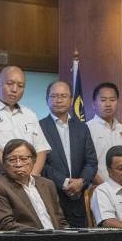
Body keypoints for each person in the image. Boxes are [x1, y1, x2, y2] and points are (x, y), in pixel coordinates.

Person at [39, 80, 97, 228]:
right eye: (54, 96)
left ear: (71, 100)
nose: (58, 100)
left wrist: (81, 182)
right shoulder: (39, 127)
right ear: (47, 100)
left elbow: (91, 162)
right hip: (51, 197)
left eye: (63, 96)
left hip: (77, 199)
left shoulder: (82, 128)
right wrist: (64, 183)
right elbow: (40, 164)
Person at [0, 139, 67, 231]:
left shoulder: (47, 184)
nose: (18, 164)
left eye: (24, 159)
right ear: (4, 163)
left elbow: (60, 221)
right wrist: (43, 234)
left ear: (33, 160)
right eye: (12, 160)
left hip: (57, 240)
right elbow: (5, 225)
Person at [0, 66, 50, 174]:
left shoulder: (30, 114)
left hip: (31, 180)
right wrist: (16, 173)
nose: (14, 89)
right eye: (9, 83)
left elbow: (41, 149)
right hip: (1, 179)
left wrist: (32, 176)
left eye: (20, 86)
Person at [86, 82, 122, 184]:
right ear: (94, 104)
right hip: (99, 188)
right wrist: (106, 189)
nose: (108, 104)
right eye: (103, 100)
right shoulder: (86, 129)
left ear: (117, 102)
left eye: (112, 100)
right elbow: (87, 164)